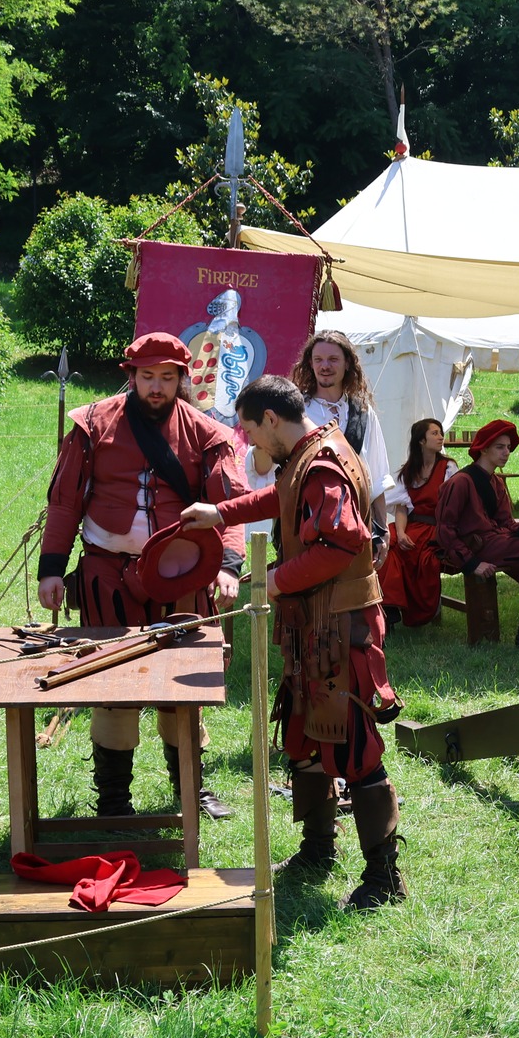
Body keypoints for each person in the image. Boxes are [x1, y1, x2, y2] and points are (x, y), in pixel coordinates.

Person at [181, 376, 405, 908]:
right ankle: (317, 849)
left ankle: (384, 878)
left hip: (342, 627)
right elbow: (282, 496)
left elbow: (343, 541)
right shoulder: (308, 451)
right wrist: (222, 512)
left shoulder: (323, 462)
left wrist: (274, 581)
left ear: (273, 420)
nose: (251, 444)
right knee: (305, 735)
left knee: (354, 746)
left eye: (252, 432)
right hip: (315, 625)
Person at [37, 332, 246, 821]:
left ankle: (190, 791)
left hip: (183, 581)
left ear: (181, 379)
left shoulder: (208, 434)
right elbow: (65, 502)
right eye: (148, 376)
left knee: (183, 694)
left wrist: (230, 566)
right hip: (107, 576)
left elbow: (229, 505)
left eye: (167, 378)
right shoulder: (89, 426)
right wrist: (51, 571)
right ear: (130, 376)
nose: (157, 387)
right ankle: (113, 802)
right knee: (112, 688)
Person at [435, 419, 519, 647]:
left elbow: (507, 523)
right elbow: (445, 529)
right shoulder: (460, 482)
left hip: (499, 543)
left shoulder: (497, 483)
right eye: (500, 447)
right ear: (483, 448)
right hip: (479, 548)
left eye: (508, 448)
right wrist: (472, 564)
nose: (506, 452)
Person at [290, 330, 395, 536]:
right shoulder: (296, 411)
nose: (325, 366)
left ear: (347, 363)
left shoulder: (363, 413)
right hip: (306, 526)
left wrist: (382, 531)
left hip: (356, 526)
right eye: (318, 359)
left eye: (333, 359)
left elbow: (377, 476)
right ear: (310, 364)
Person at [378, 419, 452, 628]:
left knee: (418, 556)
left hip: (437, 528)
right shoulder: (409, 471)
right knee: (384, 545)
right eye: (435, 433)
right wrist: (400, 533)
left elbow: (454, 506)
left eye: (441, 433)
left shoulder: (448, 467)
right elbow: (401, 507)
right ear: (421, 440)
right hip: (412, 526)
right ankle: (389, 607)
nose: (440, 437)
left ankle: (395, 608)